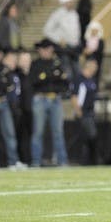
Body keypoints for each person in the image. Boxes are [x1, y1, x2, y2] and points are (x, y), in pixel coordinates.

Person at [29, 38, 70, 167]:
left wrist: (47, 77)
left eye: (48, 49)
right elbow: (34, 81)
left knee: (58, 132)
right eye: (43, 49)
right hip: (40, 99)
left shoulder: (58, 64)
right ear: (39, 50)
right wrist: (52, 76)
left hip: (55, 99)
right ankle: (36, 161)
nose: (45, 52)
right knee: (38, 132)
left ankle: (62, 161)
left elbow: (64, 83)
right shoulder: (35, 64)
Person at [43, 0, 81, 82]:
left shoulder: (74, 14)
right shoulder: (58, 14)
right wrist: (59, 40)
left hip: (74, 49)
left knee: (77, 73)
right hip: (64, 50)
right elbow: (47, 30)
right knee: (67, 73)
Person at [70, 58, 99, 165]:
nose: (96, 68)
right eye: (94, 65)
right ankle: (87, 161)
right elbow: (74, 95)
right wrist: (78, 111)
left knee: (90, 137)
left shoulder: (92, 79)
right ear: (88, 65)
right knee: (90, 136)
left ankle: (90, 161)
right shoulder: (79, 78)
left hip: (90, 112)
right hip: (83, 113)